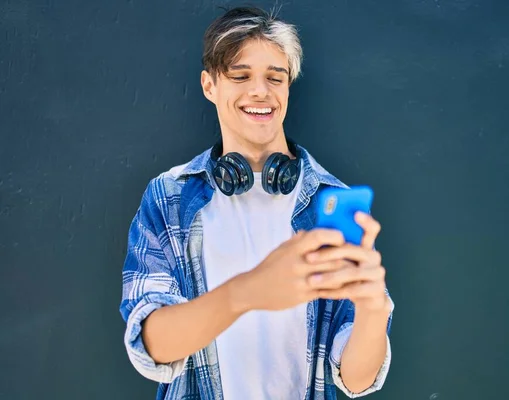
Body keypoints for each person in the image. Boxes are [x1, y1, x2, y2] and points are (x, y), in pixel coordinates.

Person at [120, 6, 393, 400]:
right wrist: (247, 292)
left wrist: (373, 310)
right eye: (240, 76)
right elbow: (151, 346)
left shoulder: (331, 202)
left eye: (274, 78)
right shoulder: (169, 196)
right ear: (209, 85)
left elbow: (355, 380)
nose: (260, 92)